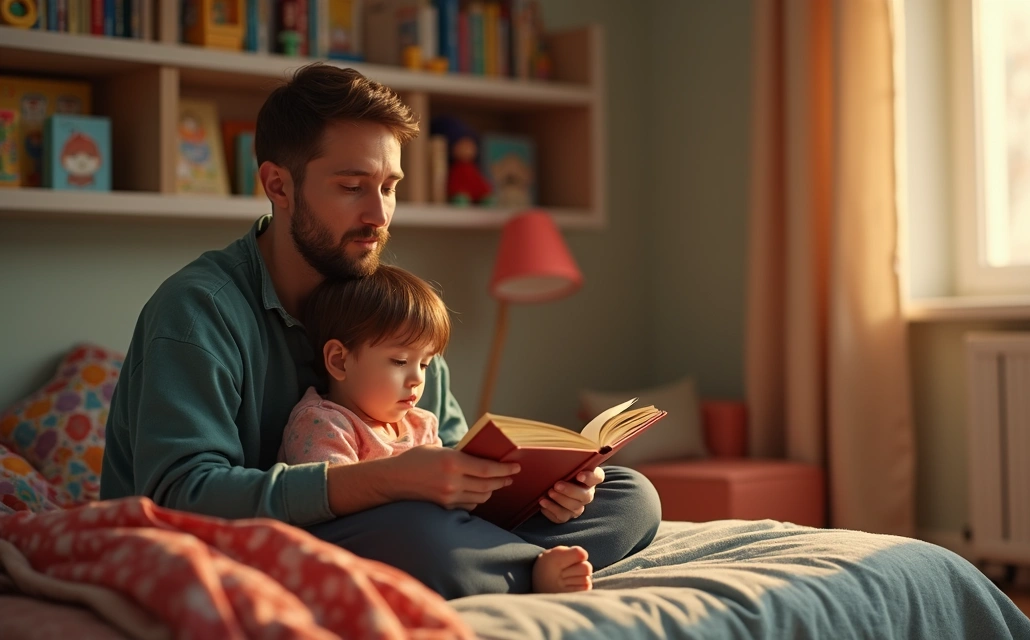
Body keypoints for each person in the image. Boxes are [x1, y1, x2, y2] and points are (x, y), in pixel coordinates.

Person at [99, 62, 661, 599]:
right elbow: (177, 500)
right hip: (251, 545)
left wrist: (539, 489)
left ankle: (489, 565)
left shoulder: (389, 308)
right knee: (418, 536)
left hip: (404, 530)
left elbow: (447, 452)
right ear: (278, 185)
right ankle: (509, 566)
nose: (380, 214)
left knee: (631, 496)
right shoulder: (199, 309)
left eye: (389, 187)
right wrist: (388, 481)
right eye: (352, 187)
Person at [280, 265, 593, 593]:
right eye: (400, 361)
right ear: (340, 361)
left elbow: (456, 508)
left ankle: (509, 565)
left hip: (449, 534)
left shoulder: (422, 423)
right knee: (425, 533)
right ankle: (532, 568)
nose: (417, 379)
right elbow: (332, 510)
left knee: (631, 492)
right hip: (393, 544)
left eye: (425, 363)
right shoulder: (322, 422)